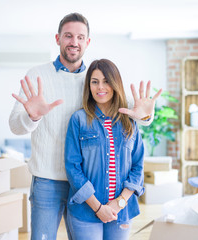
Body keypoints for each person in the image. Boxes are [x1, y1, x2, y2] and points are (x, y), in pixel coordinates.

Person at [9, 13, 161, 240]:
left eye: (80, 37)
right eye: (68, 36)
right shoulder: (37, 75)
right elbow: (15, 126)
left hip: (88, 183)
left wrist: (147, 117)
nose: (74, 42)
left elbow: (130, 111)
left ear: (87, 42)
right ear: (58, 38)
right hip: (47, 181)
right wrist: (32, 117)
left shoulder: (96, 78)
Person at [65, 59, 148, 240]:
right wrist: (98, 208)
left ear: (115, 83)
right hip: (85, 212)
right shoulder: (78, 119)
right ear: (89, 86)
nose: (100, 87)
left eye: (106, 81)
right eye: (95, 82)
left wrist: (120, 203)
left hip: (121, 211)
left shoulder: (130, 120)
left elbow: (137, 166)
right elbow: (73, 168)